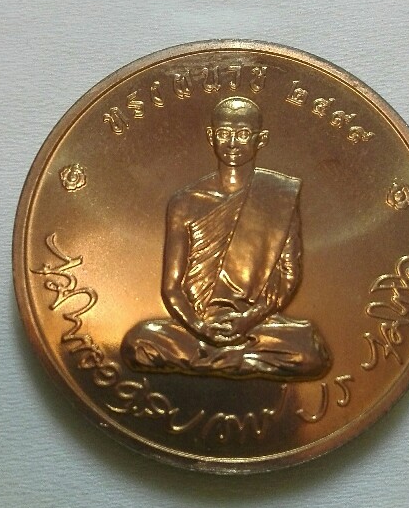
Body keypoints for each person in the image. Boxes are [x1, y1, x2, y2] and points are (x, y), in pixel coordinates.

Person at [121, 97, 331, 380]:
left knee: (310, 352)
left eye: (243, 133)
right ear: (211, 137)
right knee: (139, 343)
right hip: (195, 324)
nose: (232, 142)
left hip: (255, 323)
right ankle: (230, 358)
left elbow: (287, 278)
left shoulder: (279, 195)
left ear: (260, 139)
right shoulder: (185, 202)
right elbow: (171, 288)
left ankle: (211, 358)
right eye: (224, 133)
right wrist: (200, 327)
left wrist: (247, 320)